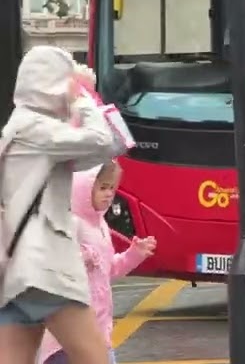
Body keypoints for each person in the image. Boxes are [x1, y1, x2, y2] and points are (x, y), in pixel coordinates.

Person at [0, 47, 125, 364]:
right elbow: (102, 141)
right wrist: (80, 96)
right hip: (45, 271)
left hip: (15, 274)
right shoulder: (35, 129)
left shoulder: (19, 129)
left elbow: (108, 148)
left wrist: (87, 102)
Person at [38, 162, 156, 364]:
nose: (109, 194)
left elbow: (110, 269)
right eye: (102, 188)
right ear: (84, 190)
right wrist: (84, 256)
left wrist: (135, 254)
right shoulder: (70, 222)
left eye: (112, 188)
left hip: (98, 326)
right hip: (71, 329)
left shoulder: (100, 225)